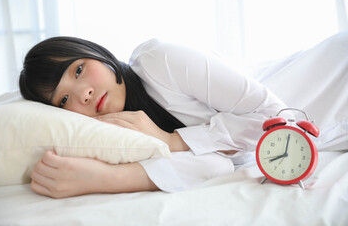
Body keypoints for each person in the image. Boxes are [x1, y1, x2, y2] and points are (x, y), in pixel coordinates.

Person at [19, 36, 287, 198]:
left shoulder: (159, 61)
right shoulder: (110, 132)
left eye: (78, 70)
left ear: (97, 54)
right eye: (64, 99)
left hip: (309, 93)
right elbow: (217, 166)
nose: (84, 94)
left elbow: (277, 119)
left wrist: (171, 141)